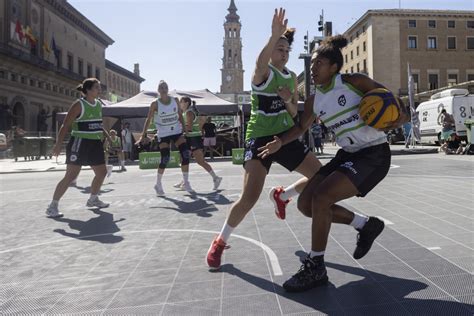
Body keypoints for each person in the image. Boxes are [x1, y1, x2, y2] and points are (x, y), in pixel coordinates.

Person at [258, 34, 409, 292]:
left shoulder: (353, 82)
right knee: (306, 205)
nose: (313, 69)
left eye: (318, 64)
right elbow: (301, 127)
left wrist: (397, 119)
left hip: (374, 154)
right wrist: (280, 142)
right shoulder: (316, 100)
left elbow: (397, 107)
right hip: (348, 154)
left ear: (334, 67)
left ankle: (316, 266)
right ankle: (366, 225)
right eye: (312, 64)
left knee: (322, 197)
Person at [206, 8, 322, 270]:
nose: (283, 52)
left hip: (285, 136)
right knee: (249, 198)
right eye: (279, 48)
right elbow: (259, 63)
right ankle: (220, 242)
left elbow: (294, 111)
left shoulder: (291, 78)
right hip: (260, 138)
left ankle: (283, 196)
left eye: (286, 49)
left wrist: (286, 100)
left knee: (320, 175)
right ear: (270, 51)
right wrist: (273, 35)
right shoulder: (262, 73)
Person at [46, 78, 111, 218]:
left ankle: (93, 199)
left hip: (95, 143)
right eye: (96, 87)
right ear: (87, 90)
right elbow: (65, 125)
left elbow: (98, 124)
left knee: (102, 172)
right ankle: (52, 206)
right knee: (70, 176)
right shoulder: (79, 104)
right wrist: (58, 144)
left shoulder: (99, 104)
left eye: (99, 87)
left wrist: (108, 138)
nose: (99, 90)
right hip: (80, 142)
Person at [136, 80, 193, 195]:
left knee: (185, 154)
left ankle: (186, 182)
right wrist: (143, 135)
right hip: (163, 133)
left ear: (168, 89)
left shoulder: (175, 100)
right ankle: (158, 184)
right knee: (165, 158)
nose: (163, 89)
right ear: (158, 90)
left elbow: (180, 116)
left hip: (176, 131)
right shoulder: (155, 104)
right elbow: (148, 119)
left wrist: (185, 130)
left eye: (165, 87)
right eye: (161, 87)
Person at [174, 97, 222, 190]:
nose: (179, 103)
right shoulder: (184, 113)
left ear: (186, 103)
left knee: (200, 161)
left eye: (181, 102)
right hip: (188, 139)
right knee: (183, 159)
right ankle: (185, 181)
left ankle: (216, 178)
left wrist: (176, 129)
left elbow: (189, 127)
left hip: (194, 138)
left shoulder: (189, 112)